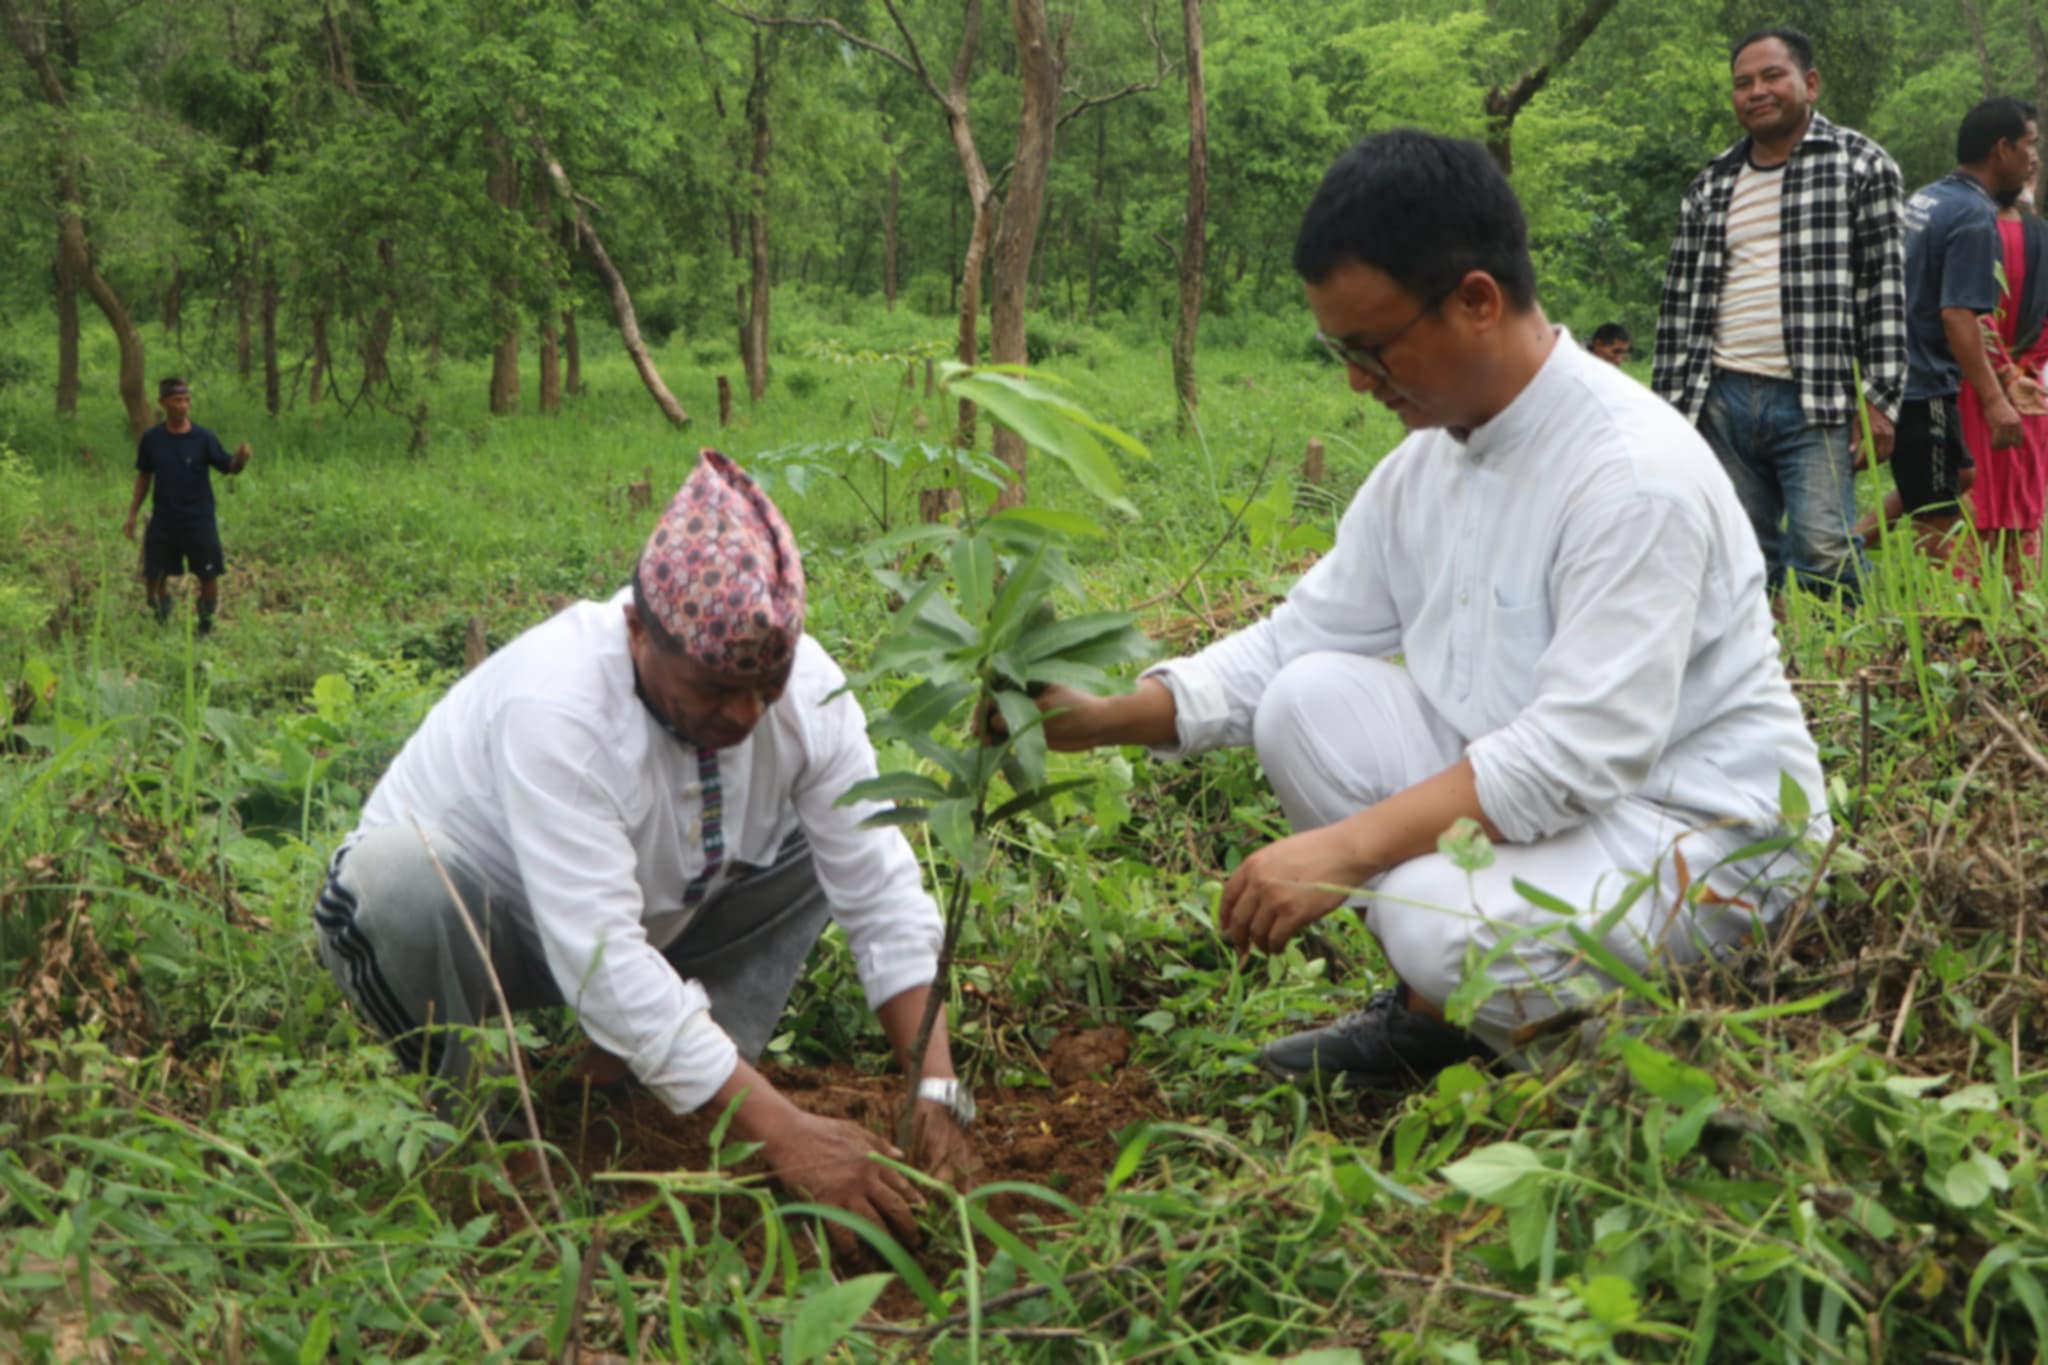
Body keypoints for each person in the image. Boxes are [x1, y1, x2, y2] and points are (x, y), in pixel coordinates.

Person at [1029, 130, 1829, 1088]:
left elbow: (1576, 754)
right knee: (1305, 701)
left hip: (1698, 834)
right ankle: (1460, 1017)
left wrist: (1345, 850)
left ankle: (1616, 1053)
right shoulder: (1432, 462)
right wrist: (1111, 716)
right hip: (1561, 809)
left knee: (1422, 911)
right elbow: (1299, 638)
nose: (1358, 382)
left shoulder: (1629, 478)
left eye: (1371, 347)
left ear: (1477, 301)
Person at [313, 450, 974, 1240]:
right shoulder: (558, 705)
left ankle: (630, 1082)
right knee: (391, 883)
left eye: (765, 687)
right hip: (482, 928)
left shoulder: (807, 697)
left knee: (824, 837)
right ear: (636, 630)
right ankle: (481, 1129)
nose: (745, 716)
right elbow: (602, 957)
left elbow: (880, 889)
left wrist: (936, 1085)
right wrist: (788, 1131)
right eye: (713, 690)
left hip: (654, 909)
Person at [1654, 27, 1905, 604]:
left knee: (1824, 551)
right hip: (1720, 397)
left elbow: (1885, 289)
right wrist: (1668, 413)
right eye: (1743, 83)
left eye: (1772, 76)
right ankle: (1765, 676)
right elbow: (1679, 304)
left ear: (1809, 83)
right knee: (1738, 554)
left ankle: (1849, 678)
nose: (1756, 91)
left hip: (1814, 398)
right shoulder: (1712, 183)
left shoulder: (1861, 165)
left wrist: (1882, 399)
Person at [1894, 96, 2041, 559]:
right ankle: (1943, 622)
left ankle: (1850, 542)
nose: (2033, 158)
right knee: (1941, 527)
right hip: (1928, 385)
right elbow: (1958, 315)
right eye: (2029, 145)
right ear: (2002, 149)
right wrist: (1997, 403)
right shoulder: (1976, 218)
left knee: (1959, 476)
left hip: (1899, 374)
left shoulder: (1929, 197)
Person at [1956, 189, 2048, 587]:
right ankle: (2022, 630)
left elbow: (1967, 312)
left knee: (1969, 511)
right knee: (2024, 514)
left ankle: (1964, 632)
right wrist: (2025, 370)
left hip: (1969, 382)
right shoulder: (2042, 237)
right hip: (2030, 387)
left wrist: (2000, 371)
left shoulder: (1965, 232)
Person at [121, 377, 251, 634]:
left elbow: (229, 468)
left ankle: (205, 625)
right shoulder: (152, 440)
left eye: (187, 400)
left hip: (198, 518)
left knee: (208, 573)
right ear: (163, 403)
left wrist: (241, 460)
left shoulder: (203, 438)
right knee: (154, 576)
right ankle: (161, 621)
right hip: (164, 517)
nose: (183, 406)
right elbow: (144, 477)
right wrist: (132, 514)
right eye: (177, 400)